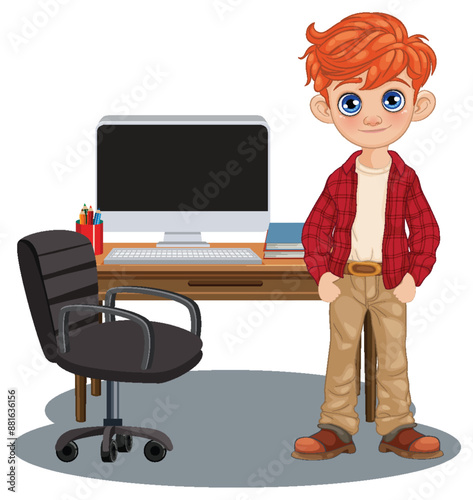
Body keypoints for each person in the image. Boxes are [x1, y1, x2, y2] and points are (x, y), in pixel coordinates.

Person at [293, 12, 442, 460]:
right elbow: (315, 229)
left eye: (391, 99)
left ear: (419, 105)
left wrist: (417, 274)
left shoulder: (404, 177)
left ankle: (397, 427)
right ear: (326, 109)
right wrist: (320, 273)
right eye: (353, 103)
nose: (373, 116)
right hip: (344, 279)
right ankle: (336, 427)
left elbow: (427, 231)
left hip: (393, 279)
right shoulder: (340, 179)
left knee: (392, 357)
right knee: (342, 354)